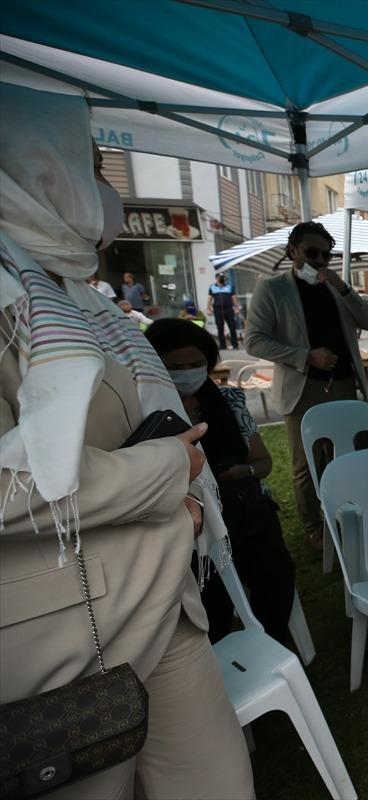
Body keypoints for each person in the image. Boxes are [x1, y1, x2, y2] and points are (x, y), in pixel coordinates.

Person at [0, 83, 253, 799]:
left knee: (217, 781)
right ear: (34, 166)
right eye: (90, 167)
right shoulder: (13, 293)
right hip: (58, 637)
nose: (104, 190)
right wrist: (167, 473)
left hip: (164, 595)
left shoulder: (77, 294)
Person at [147, 319, 297, 646]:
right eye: (176, 366)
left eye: (196, 364)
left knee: (276, 576)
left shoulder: (228, 401)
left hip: (245, 508)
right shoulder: (146, 410)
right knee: (209, 595)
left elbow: (263, 463)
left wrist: (242, 473)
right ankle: (219, 652)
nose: (188, 372)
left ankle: (272, 643)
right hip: (187, 521)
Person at [244, 221, 368, 552]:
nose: (319, 260)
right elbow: (254, 341)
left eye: (326, 254)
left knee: (354, 454)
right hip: (304, 388)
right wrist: (305, 356)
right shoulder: (273, 289)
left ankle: (357, 518)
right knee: (308, 464)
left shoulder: (335, 287)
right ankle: (313, 527)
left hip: (344, 384)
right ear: (292, 251)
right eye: (312, 252)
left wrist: (342, 286)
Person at [207, 271, 242, 349]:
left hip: (228, 309)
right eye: (220, 278)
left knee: (232, 327)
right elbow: (209, 299)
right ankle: (222, 345)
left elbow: (234, 298)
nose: (222, 279)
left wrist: (237, 308)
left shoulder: (230, 286)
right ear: (216, 278)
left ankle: (235, 344)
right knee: (220, 327)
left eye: (223, 278)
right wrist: (208, 309)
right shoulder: (212, 287)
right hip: (217, 309)